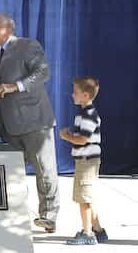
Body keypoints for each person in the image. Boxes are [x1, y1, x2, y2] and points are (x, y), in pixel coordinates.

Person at [0, 13, 60, 232]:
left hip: (35, 121)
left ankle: (49, 216)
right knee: (12, 174)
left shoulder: (27, 46)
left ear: (8, 28)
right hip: (8, 125)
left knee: (44, 170)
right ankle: (15, 216)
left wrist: (16, 86)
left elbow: (43, 72)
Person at [60, 77, 108, 245]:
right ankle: (98, 229)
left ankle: (87, 233)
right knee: (89, 196)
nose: (73, 95)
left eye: (76, 92)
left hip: (87, 162)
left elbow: (83, 139)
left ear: (86, 95)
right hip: (86, 161)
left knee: (84, 198)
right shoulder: (83, 114)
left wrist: (67, 136)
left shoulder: (88, 115)